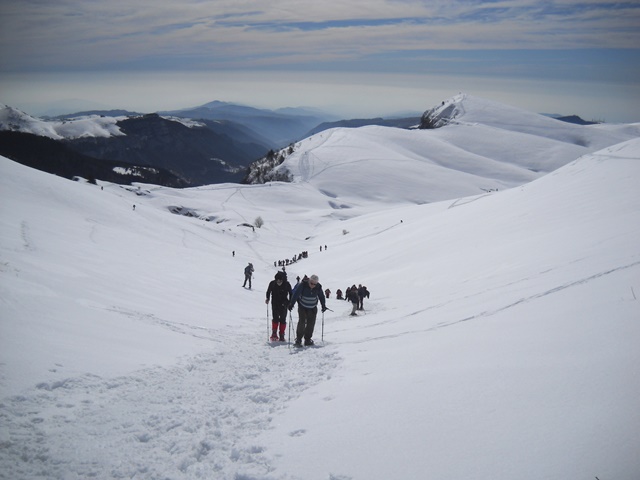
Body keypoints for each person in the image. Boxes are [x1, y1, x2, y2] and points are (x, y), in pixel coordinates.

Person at [289, 274, 327, 347]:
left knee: (311, 324)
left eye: (314, 284)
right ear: (309, 281)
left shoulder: (318, 287)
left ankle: (307, 339)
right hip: (302, 306)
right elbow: (296, 294)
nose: (313, 285)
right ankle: (299, 339)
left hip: (312, 308)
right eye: (311, 283)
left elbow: (321, 296)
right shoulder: (303, 285)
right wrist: (291, 304)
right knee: (302, 323)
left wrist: (323, 305)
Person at [265, 271, 292, 341]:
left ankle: (282, 334)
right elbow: (268, 291)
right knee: (275, 318)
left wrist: (290, 302)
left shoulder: (287, 284)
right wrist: (267, 298)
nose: (278, 282)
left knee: (283, 319)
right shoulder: (272, 283)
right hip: (275, 303)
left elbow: (291, 293)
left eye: (280, 280)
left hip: (284, 303)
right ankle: (274, 333)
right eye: (277, 280)